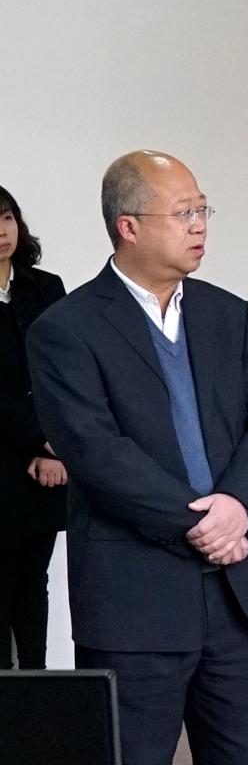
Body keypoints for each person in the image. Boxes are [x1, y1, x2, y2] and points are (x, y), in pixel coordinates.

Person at [26, 150, 248, 765]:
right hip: (135, 599)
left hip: (236, 591)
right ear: (129, 226)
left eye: (202, 211)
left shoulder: (229, 314)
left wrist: (239, 506)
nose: (199, 226)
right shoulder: (67, 328)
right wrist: (204, 523)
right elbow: (95, 451)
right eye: (183, 213)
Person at [0, 184, 68, 671]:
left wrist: (52, 448)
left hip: (46, 463)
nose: (1, 231)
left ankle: (37, 687)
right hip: (5, 459)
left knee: (33, 582)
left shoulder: (46, 288)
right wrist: (38, 439)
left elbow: (64, 373)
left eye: (6, 218)